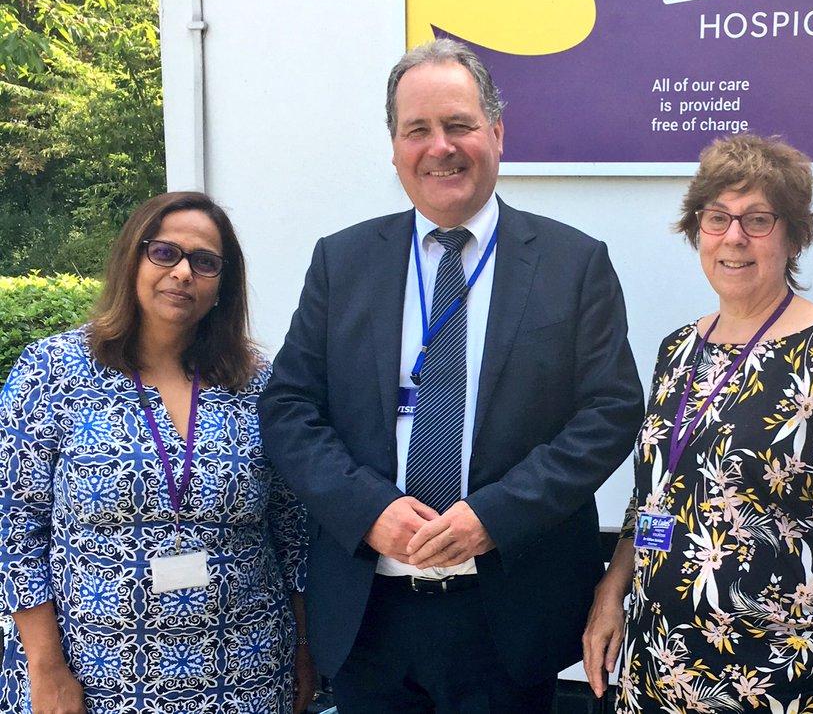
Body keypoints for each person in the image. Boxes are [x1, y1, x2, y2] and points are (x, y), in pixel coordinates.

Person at [258, 38, 644, 714]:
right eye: (418, 130)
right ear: (395, 148)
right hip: (368, 615)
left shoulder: (571, 262)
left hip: (506, 615)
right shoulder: (342, 263)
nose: (440, 146)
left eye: (459, 124)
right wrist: (367, 509)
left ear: (495, 131)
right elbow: (289, 408)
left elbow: (609, 411)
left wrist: (493, 514)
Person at [583, 135, 813, 713]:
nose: (733, 237)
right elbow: (653, 495)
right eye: (717, 218)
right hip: (659, 672)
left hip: (786, 681)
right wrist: (611, 591)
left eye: (758, 220)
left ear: (794, 235)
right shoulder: (678, 350)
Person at [0, 191, 315, 714]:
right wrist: (45, 667)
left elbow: (293, 528)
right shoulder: (52, 371)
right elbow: (13, 526)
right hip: (95, 672)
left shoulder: (258, 382)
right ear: (132, 259)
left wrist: (305, 647)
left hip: (245, 670)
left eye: (205, 262)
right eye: (165, 252)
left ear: (223, 284)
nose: (183, 273)